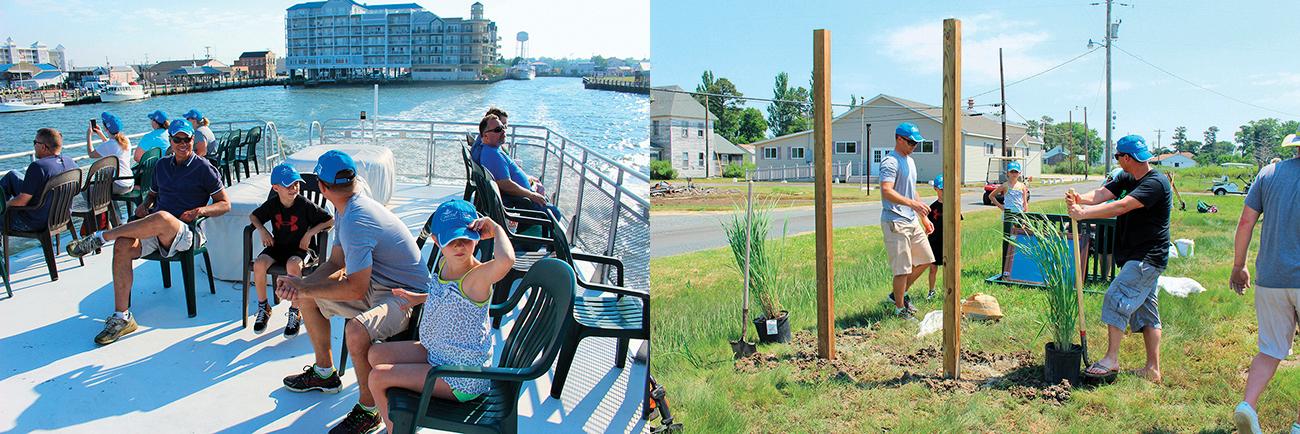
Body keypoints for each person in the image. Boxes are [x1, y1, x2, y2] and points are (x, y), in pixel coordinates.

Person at [273, 150, 432, 434]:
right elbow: (336, 263)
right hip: (378, 283)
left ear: (322, 187)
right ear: (353, 180)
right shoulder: (345, 205)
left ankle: (369, 411)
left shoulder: (357, 218)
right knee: (306, 298)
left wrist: (305, 285)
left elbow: (356, 288)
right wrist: (301, 285)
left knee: (356, 332)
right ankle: (325, 374)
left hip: (408, 298)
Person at [66, 120, 230, 345]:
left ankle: (101, 236)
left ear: (193, 140)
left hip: (187, 232)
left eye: (187, 139)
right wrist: (145, 204)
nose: (183, 144)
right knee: (123, 245)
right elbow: (152, 195)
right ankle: (122, 317)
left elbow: (224, 204)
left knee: (162, 218)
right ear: (170, 142)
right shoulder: (162, 166)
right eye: (178, 140)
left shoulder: (203, 168)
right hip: (157, 229)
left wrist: (201, 210)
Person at [367, 199, 515, 432]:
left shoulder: (477, 278)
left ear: (477, 237)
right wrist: (418, 298)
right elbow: (448, 296)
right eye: (451, 240)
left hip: (461, 376)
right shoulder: (446, 263)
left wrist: (496, 229)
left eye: (466, 239)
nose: (459, 246)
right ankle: (404, 418)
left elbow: (506, 261)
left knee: (377, 378)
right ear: (436, 241)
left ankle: (397, 429)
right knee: (375, 353)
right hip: (440, 353)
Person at [1068, 134, 1172, 383]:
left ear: (1126, 157)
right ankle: (1153, 370)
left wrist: (1083, 214)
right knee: (1147, 314)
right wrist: (1080, 199)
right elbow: (1103, 194)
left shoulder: (1155, 183)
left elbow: (1121, 206)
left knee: (1115, 298)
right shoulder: (1126, 177)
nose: (1117, 160)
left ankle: (1111, 359)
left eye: (1117, 156)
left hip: (1147, 258)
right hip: (1134, 256)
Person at [1228, 132, 1300, 434]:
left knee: (1270, 349)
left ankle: (1248, 406)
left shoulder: (1269, 173)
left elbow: (1246, 222)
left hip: (1270, 278)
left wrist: (1239, 265)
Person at [248, 164, 333, 335]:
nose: (294, 188)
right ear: (276, 188)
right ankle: (264, 307)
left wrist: (310, 233)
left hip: (301, 250)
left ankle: (295, 310)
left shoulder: (305, 204)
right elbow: (254, 216)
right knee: (259, 264)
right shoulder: (272, 204)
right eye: (289, 185)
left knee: (293, 265)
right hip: (279, 247)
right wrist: (262, 230)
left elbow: (330, 220)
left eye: (297, 184)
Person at [879, 122, 935, 317]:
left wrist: (923, 217)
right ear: (899, 139)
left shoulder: (910, 161)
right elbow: (886, 190)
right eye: (911, 142)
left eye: (916, 143)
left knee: (927, 259)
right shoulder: (890, 162)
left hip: (911, 220)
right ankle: (900, 309)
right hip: (895, 221)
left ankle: (897, 296)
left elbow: (913, 191)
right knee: (902, 269)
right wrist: (912, 205)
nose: (914, 146)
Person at [473, 113, 559, 223]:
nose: (503, 131)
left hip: (522, 199)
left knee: (549, 205)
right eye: (498, 129)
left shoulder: (493, 149)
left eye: (503, 127)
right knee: (555, 213)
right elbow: (505, 184)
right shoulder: (492, 154)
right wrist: (531, 195)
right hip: (523, 204)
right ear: (485, 137)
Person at [0, 128, 78, 232]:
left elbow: (22, 202)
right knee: (12, 175)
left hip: (36, 222)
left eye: (35, 142)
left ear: (43, 147)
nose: (34, 146)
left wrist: (5, 205)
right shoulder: (70, 163)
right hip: (61, 217)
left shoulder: (38, 167)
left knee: (2, 214)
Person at [923, 174, 960, 300]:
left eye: (946, 189)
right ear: (935, 189)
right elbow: (927, 226)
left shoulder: (953, 205)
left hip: (948, 241)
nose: (944, 192)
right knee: (933, 268)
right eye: (941, 189)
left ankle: (948, 291)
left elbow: (958, 222)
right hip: (934, 242)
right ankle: (931, 291)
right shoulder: (932, 208)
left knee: (948, 267)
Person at [85, 112, 135, 194]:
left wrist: (88, 136)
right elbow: (111, 146)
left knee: (87, 191)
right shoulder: (125, 139)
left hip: (119, 185)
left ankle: (100, 206)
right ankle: (109, 206)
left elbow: (91, 154)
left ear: (106, 128)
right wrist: (101, 134)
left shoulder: (109, 145)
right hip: (130, 182)